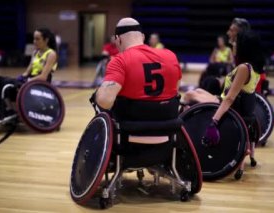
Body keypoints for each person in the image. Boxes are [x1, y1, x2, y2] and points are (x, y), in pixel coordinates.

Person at [90, 17, 181, 156]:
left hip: (131, 133)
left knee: (98, 99)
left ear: (117, 39)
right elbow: (175, 90)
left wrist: (98, 93)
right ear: (143, 37)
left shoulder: (119, 61)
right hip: (167, 129)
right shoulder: (171, 55)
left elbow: (104, 101)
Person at [201, 30, 264, 168]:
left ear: (243, 46)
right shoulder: (254, 67)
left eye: (235, 42)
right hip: (237, 105)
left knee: (190, 96)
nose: (233, 44)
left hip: (230, 108)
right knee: (198, 91)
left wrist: (214, 121)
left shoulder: (244, 68)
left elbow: (229, 98)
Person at [0, 28, 58, 118]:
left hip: (40, 83)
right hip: (30, 80)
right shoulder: (35, 52)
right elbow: (27, 72)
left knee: (8, 84)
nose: (34, 41)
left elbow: (43, 77)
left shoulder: (51, 54)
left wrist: (28, 80)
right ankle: (8, 109)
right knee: (0, 81)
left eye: (37, 39)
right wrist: (19, 78)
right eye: (34, 39)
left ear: (46, 40)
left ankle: (12, 110)